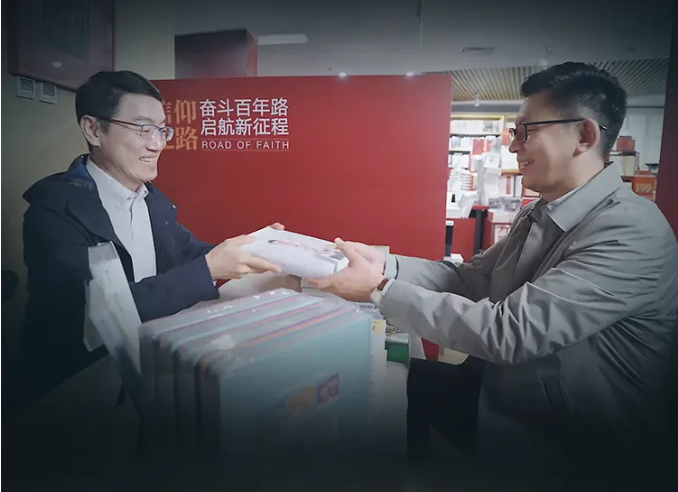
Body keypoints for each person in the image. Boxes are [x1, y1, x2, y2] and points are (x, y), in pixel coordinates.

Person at [308, 62, 678, 481]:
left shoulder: (631, 230)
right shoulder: (537, 213)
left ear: (585, 136)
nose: (513, 146)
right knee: (386, 381)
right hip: (505, 392)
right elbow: (469, 279)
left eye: (525, 131)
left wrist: (380, 289)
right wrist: (385, 264)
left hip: (573, 440)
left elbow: (510, 332)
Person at [19, 70, 284, 399]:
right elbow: (94, 317)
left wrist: (258, 248)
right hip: (76, 387)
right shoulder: (55, 211)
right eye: (142, 129)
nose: (157, 144)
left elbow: (189, 251)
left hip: (146, 366)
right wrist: (208, 270)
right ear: (93, 129)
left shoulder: (153, 201)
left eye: (161, 129)